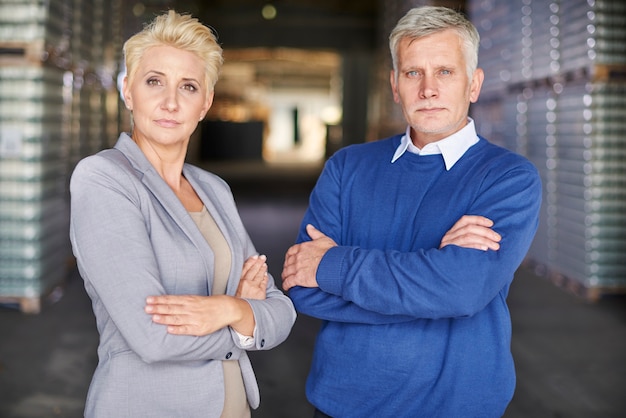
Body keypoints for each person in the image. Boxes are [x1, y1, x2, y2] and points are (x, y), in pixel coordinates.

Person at [282, 6, 542, 418]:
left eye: (445, 72)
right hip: (344, 404)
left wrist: (332, 266)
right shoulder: (347, 167)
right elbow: (302, 286)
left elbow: (462, 290)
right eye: (412, 73)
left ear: (473, 84)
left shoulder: (507, 178)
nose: (428, 89)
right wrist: (433, 274)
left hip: (454, 407)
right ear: (394, 85)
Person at [69, 10, 296, 418]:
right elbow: (153, 338)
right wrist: (245, 319)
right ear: (127, 90)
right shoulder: (104, 179)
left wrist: (231, 309)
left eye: (188, 86)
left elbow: (281, 308)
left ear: (205, 102)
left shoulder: (214, 189)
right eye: (154, 81)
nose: (170, 102)